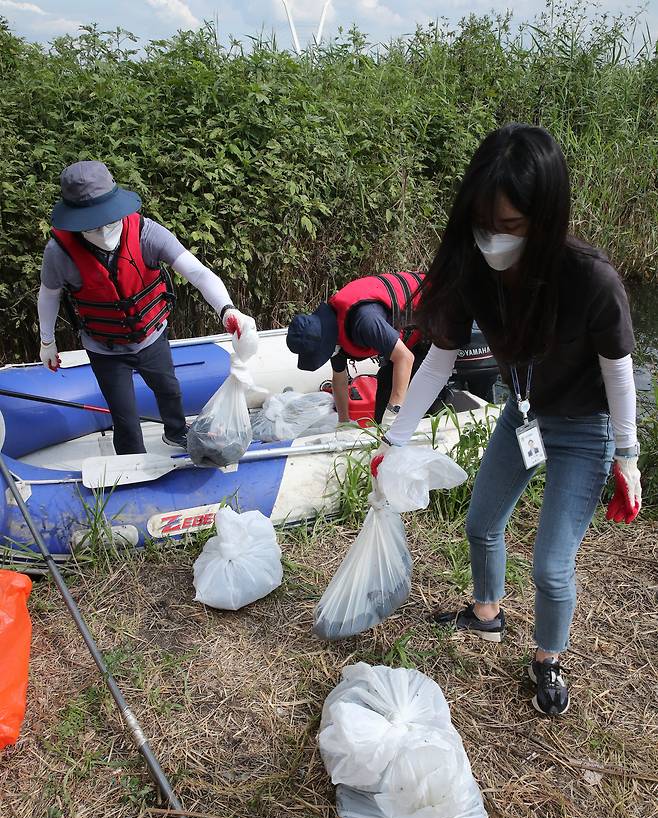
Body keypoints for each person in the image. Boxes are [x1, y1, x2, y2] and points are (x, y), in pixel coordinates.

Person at [373, 123, 641, 718]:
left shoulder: (590, 280)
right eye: (482, 223)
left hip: (580, 429)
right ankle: (487, 613)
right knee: (481, 523)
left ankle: (548, 659)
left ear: (545, 219)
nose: (492, 239)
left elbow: (620, 372)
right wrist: (394, 438)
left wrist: (627, 457)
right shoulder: (473, 269)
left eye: (510, 227)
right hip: (523, 415)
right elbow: (438, 360)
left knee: (550, 564)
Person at [38, 160, 256, 455]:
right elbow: (49, 295)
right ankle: (132, 463)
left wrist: (227, 309)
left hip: (151, 336)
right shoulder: (59, 253)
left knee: (169, 389)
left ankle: (176, 432)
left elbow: (198, 273)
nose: (103, 229)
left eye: (108, 219)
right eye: (92, 223)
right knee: (124, 416)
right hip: (105, 348)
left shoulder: (145, 233)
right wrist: (47, 341)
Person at [286, 272, 420, 428]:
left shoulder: (365, 321)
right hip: (404, 340)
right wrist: (343, 422)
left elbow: (405, 358)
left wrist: (392, 414)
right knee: (384, 388)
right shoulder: (331, 333)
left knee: (411, 399)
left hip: (431, 318)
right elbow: (339, 379)